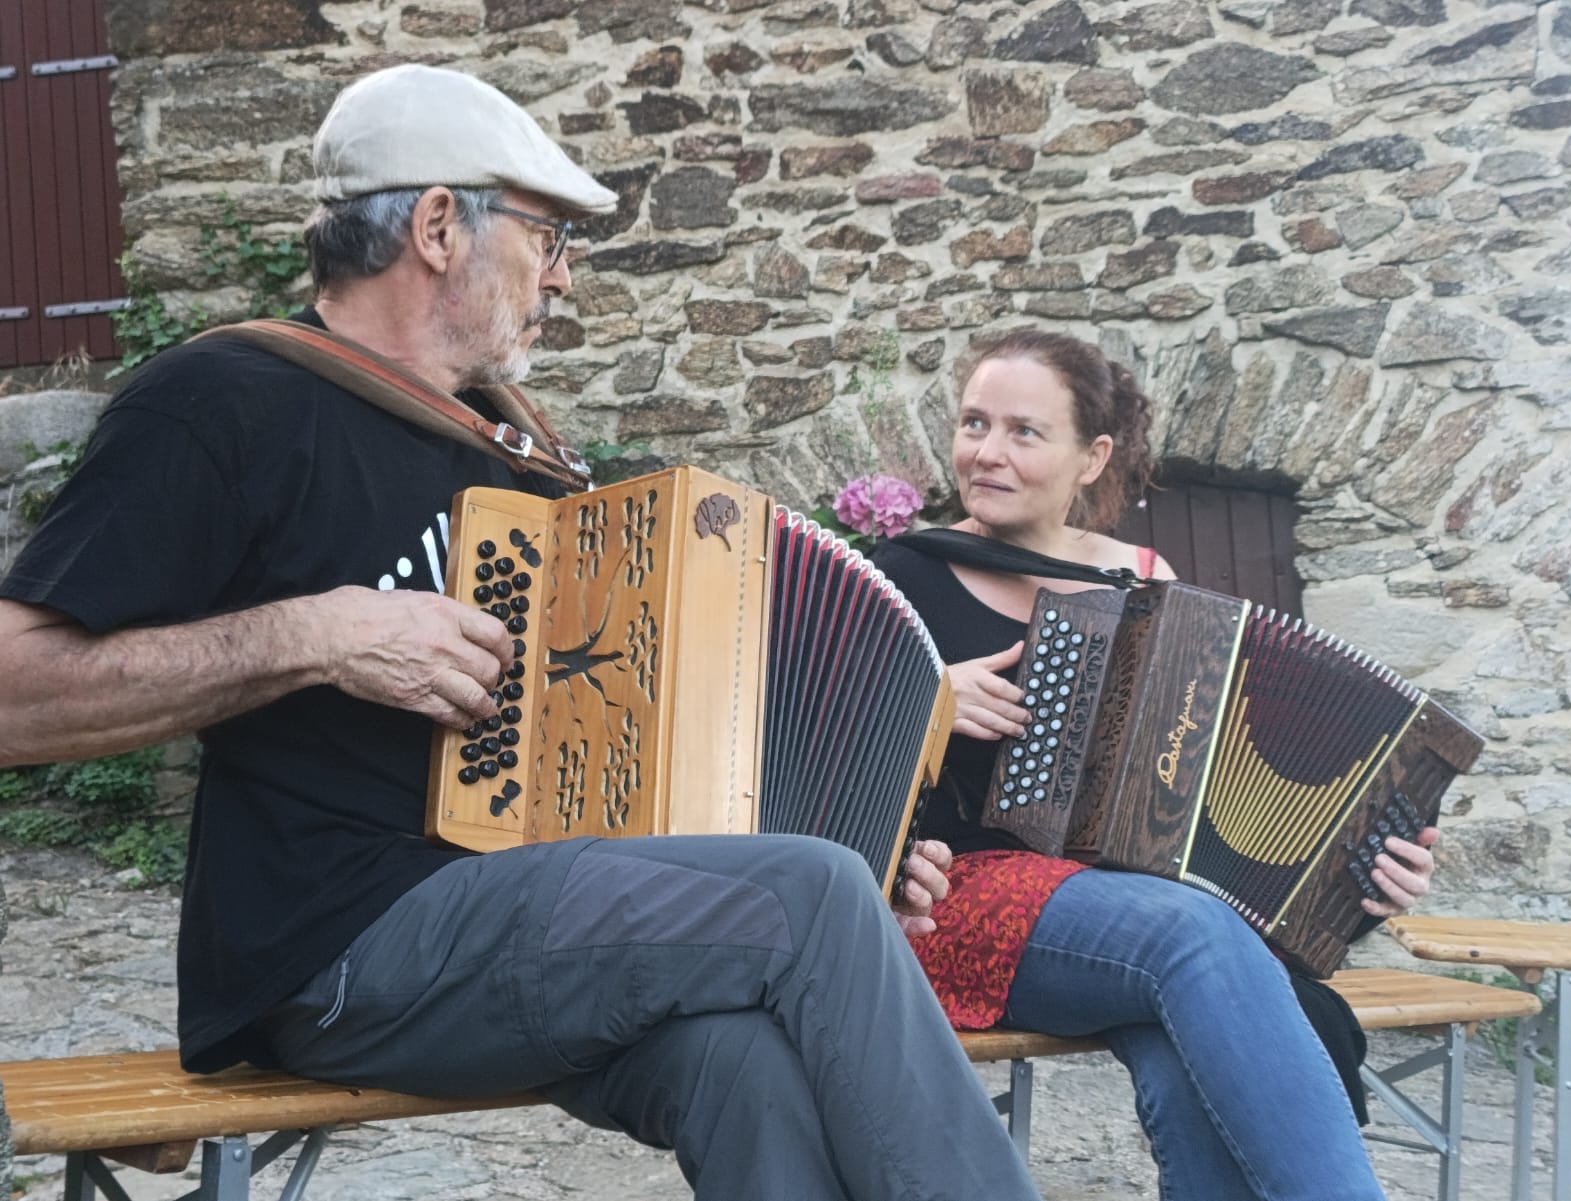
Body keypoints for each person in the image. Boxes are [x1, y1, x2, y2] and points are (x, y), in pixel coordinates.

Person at [0, 65, 1045, 1201]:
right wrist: (315, 633)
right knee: (812, 901)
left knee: (744, 1063)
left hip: (524, 921)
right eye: (545, 237)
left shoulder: (515, 455)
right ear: (440, 226)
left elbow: (616, 770)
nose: (561, 276)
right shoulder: (222, 401)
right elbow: (17, 690)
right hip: (334, 943)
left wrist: (848, 831)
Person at [871, 328, 1442, 1201]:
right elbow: (817, 762)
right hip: (954, 903)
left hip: (1129, 907)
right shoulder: (902, 574)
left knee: (1184, 1032)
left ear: (1091, 456)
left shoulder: (1143, 580)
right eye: (974, 423)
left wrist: (1362, 863)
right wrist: (924, 706)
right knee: (1190, 939)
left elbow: (1213, 792)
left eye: (1025, 431)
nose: (987, 452)